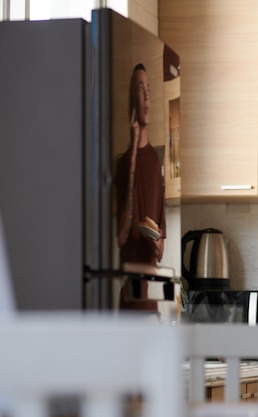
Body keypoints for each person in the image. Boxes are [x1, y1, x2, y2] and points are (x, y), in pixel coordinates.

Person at [114, 63, 166, 308]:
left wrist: (153, 235)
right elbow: (121, 237)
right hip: (128, 293)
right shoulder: (123, 163)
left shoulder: (156, 162)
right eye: (139, 88)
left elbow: (160, 251)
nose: (146, 95)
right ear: (132, 102)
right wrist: (133, 151)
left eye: (149, 89)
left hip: (150, 294)